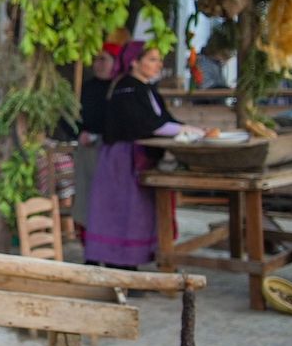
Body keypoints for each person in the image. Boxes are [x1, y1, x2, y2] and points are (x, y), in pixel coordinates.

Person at [83, 42, 202, 268]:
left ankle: (132, 265)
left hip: (139, 160)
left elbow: (165, 119)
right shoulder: (126, 88)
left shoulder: (147, 89)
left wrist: (189, 129)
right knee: (121, 214)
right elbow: (145, 124)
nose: (158, 65)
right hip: (121, 160)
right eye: (152, 59)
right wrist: (185, 130)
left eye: (158, 60)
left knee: (137, 215)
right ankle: (120, 268)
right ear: (134, 62)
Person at [71, 49, 117, 231]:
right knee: (86, 197)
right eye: (96, 60)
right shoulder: (88, 87)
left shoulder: (119, 87)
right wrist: (80, 132)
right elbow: (78, 117)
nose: (98, 64)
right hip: (88, 149)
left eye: (103, 59)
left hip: (112, 150)